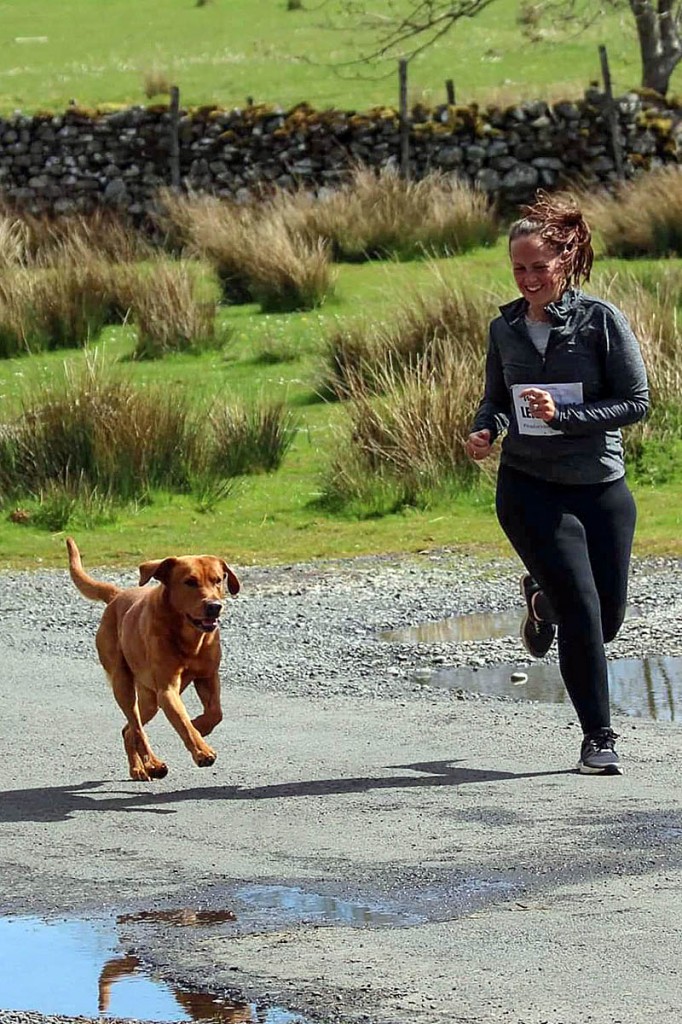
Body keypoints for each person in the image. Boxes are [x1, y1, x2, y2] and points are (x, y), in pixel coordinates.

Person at [465, 190, 649, 775]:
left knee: (607, 618)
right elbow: (497, 399)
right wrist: (484, 430)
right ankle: (599, 738)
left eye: (538, 267)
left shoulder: (601, 321)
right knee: (585, 612)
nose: (528, 278)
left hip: (600, 486)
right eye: (518, 268)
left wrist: (564, 417)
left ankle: (541, 604)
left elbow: (636, 402)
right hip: (530, 489)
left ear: (563, 263)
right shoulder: (506, 329)